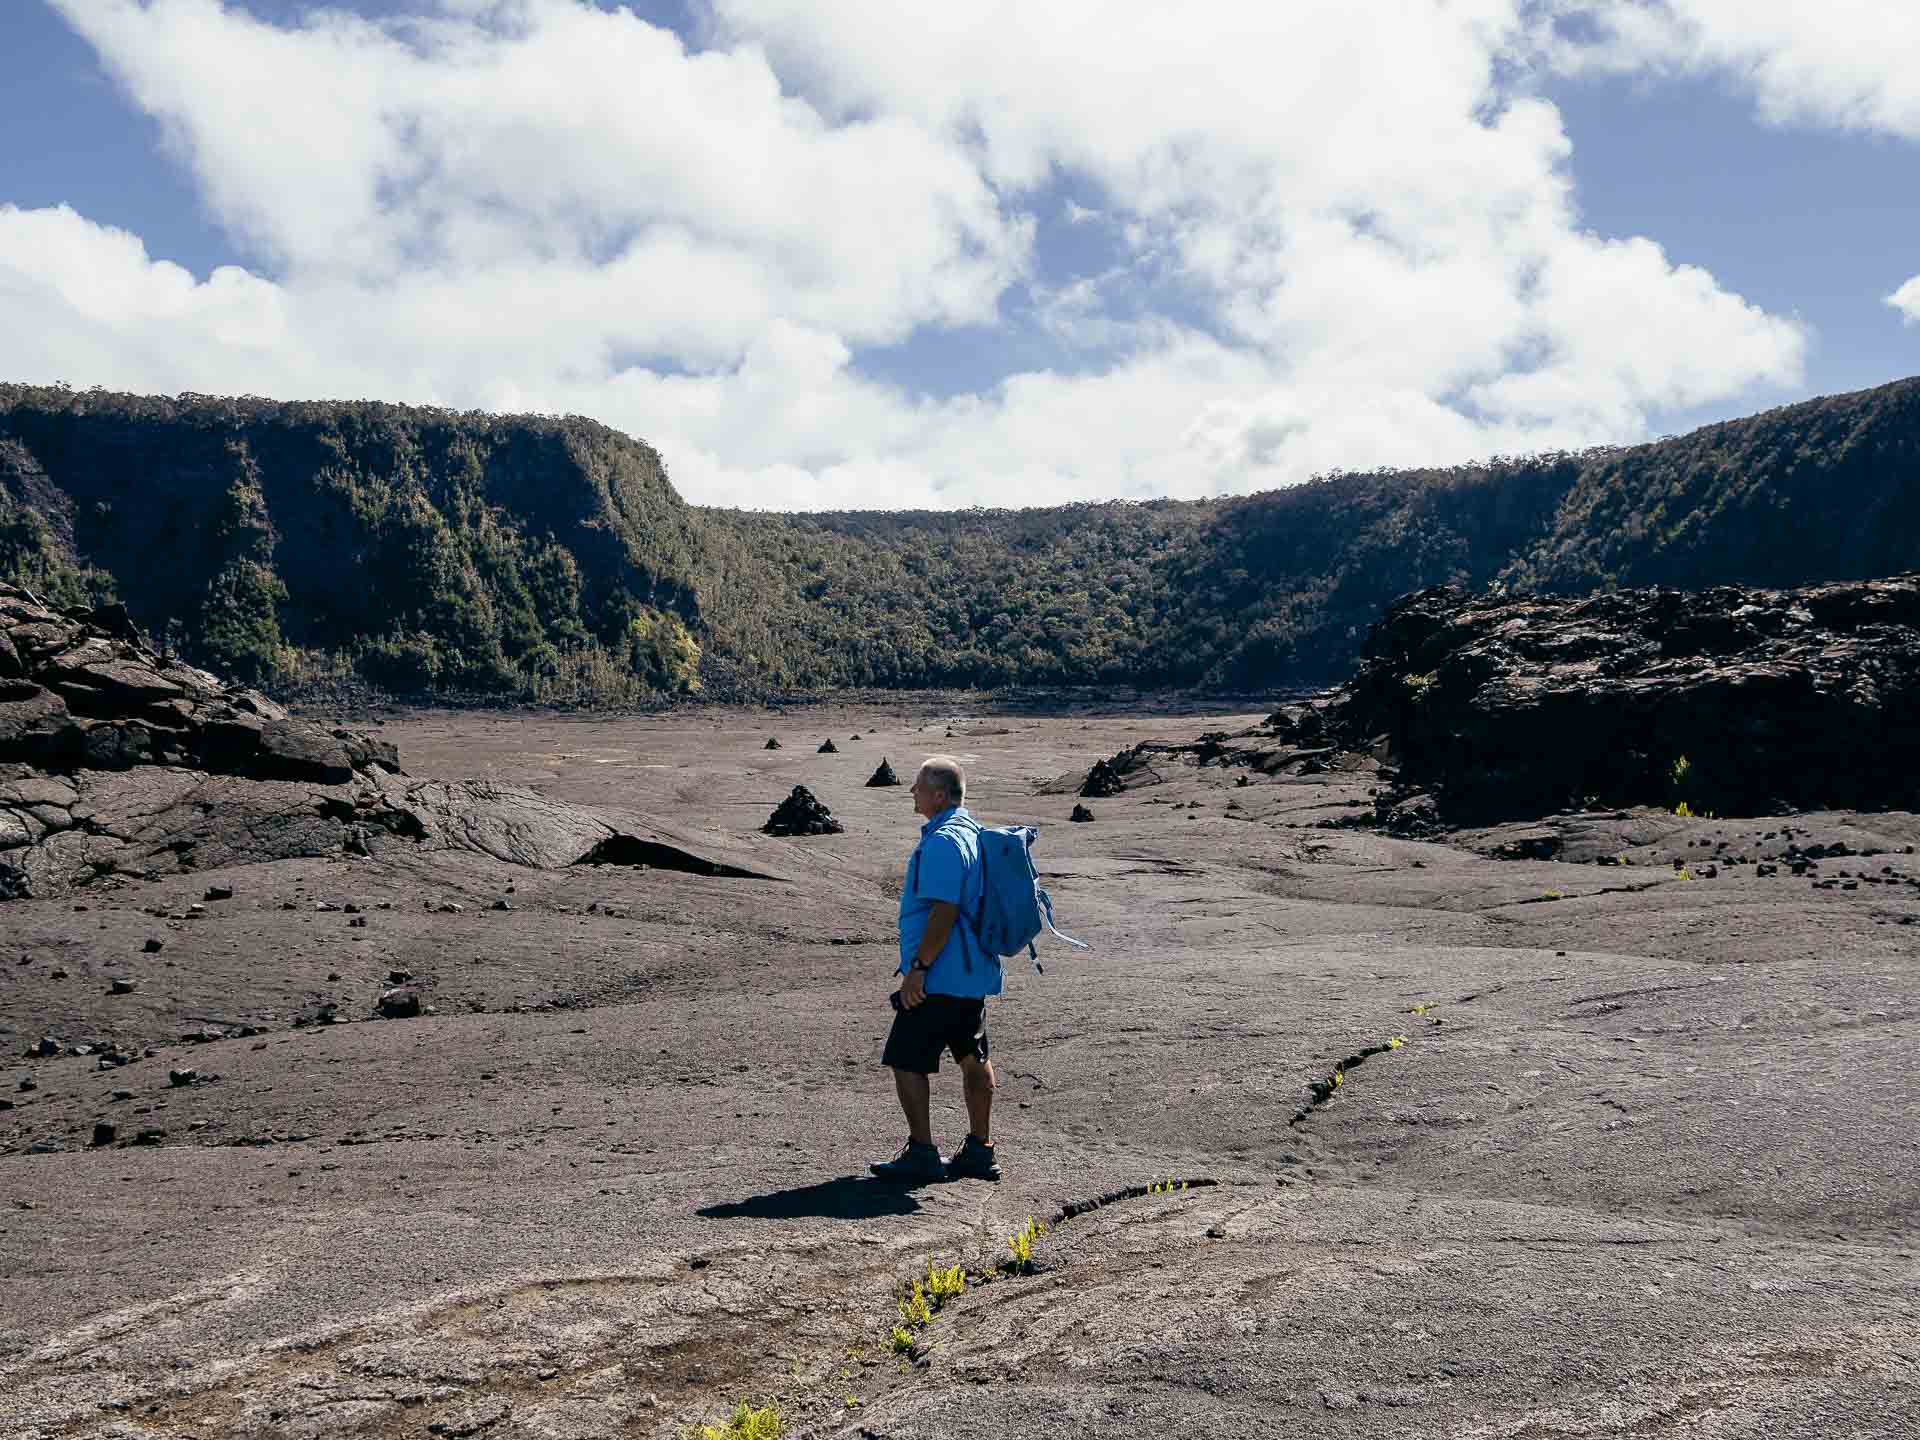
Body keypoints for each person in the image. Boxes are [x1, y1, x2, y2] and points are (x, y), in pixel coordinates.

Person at [869, 755, 1002, 1184]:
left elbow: (944, 912)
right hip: (971, 970)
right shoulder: (974, 833)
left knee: (907, 1060)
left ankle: (923, 1153)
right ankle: (980, 1151)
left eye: (918, 785)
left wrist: (918, 969)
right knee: (972, 1054)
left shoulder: (945, 842)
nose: (912, 792)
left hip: (940, 974)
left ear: (940, 795)